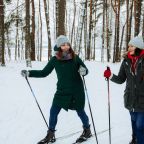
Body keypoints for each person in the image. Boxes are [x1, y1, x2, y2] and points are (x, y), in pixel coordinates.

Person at [21, 35, 92, 144]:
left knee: (80, 112)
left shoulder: (75, 57)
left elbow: (85, 70)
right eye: (63, 45)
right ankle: (50, 134)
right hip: (62, 91)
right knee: (53, 111)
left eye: (67, 44)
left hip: (76, 91)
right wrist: (29, 73)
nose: (66, 46)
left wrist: (83, 71)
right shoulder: (55, 60)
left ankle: (87, 130)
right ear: (58, 46)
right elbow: (44, 73)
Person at [104, 36, 144, 144]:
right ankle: (135, 139)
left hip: (142, 100)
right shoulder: (126, 61)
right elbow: (121, 79)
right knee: (134, 122)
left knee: (140, 125)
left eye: (132, 46)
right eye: (129, 46)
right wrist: (110, 75)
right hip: (130, 99)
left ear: (139, 47)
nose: (129, 47)